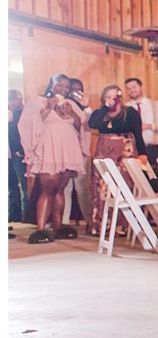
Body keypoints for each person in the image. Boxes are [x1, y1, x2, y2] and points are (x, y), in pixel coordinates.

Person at [18, 74, 86, 244]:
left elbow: (82, 127)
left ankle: (58, 226)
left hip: (67, 150)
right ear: (52, 84)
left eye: (67, 87)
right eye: (60, 85)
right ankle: (40, 229)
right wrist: (49, 108)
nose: (63, 89)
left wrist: (73, 114)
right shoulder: (38, 101)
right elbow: (26, 123)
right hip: (49, 149)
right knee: (48, 188)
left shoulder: (70, 104)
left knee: (60, 190)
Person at [87, 84, 147, 236]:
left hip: (124, 153)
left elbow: (138, 134)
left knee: (123, 185)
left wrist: (143, 154)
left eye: (114, 96)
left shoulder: (130, 113)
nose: (111, 99)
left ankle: (123, 224)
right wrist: (104, 109)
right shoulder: (100, 114)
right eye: (108, 96)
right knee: (102, 187)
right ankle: (102, 224)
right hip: (104, 152)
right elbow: (92, 124)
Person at [124, 77, 158, 192]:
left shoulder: (156, 105)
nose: (132, 90)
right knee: (136, 180)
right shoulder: (125, 108)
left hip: (152, 149)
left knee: (155, 179)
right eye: (128, 89)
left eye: (134, 87)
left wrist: (150, 126)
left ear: (140, 87)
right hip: (133, 150)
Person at [64, 78, 93, 227]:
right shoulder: (63, 105)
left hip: (82, 151)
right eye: (72, 89)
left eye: (79, 89)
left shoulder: (83, 106)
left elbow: (92, 123)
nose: (76, 92)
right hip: (66, 152)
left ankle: (90, 221)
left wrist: (85, 106)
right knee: (66, 187)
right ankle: (63, 223)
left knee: (83, 187)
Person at [9, 89, 28, 223]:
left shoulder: (24, 114)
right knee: (11, 185)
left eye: (14, 99)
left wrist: (20, 150)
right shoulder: (9, 114)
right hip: (10, 154)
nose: (13, 102)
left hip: (21, 153)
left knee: (24, 185)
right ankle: (14, 214)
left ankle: (25, 214)